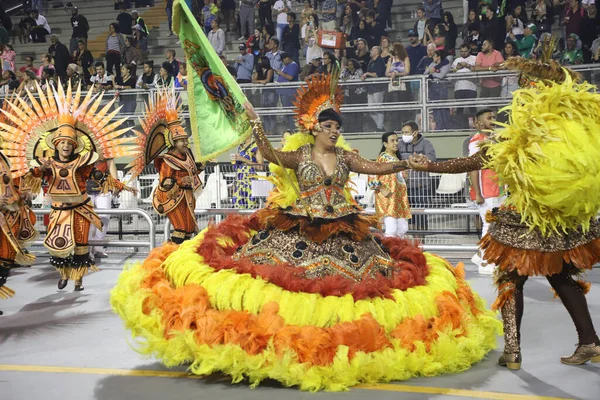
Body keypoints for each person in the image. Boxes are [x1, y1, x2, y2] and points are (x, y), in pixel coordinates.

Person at [111, 73, 500, 391]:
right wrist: (256, 123)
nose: (333, 131)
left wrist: (402, 165)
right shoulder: (300, 156)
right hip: (300, 226)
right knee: (289, 281)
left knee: (355, 285)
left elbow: (376, 169)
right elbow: (269, 155)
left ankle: (333, 340)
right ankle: (289, 342)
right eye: (328, 126)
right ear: (315, 128)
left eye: (337, 127)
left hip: (345, 228)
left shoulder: (348, 156)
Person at [408, 54, 600, 370]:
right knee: (560, 275)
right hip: (555, 222)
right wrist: (431, 165)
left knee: (510, 277)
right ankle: (588, 340)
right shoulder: (561, 131)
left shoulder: (534, 134)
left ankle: (513, 350)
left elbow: (476, 160)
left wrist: (431, 165)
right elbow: (478, 159)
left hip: (527, 219)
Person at [2, 82, 137, 292]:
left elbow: (100, 176)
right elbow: (32, 177)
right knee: (59, 247)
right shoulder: (47, 164)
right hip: (58, 211)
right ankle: (64, 275)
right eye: (62, 142)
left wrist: (122, 186)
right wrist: (39, 168)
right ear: (55, 144)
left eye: (69, 142)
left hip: (81, 209)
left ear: (75, 145)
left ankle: (78, 280)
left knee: (81, 248)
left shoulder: (82, 164)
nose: (65, 145)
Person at [128, 89, 204, 244]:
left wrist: (201, 166)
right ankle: (171, 258)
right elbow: (166, 182)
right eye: (181, 140)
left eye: (185, 139)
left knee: (189, 230)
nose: (185, 142)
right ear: (173, 142)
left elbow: (193, 170)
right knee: (181, 230)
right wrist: (182, 181)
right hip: (174, 198)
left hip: (188, 197)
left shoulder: (188, 154)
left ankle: (184, 260)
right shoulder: (167, 160)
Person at [0, 146, 36, 315]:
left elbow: (11, 188)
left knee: (5, 258)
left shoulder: (6, 160)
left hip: (7, 216)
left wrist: (21, 195)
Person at [468, 109, 504, 275]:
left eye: (494, 117)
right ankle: (485, 263)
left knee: (495, 225)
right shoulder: (476, 142)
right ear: (479, 123)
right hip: (486, 191)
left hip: (497, 190)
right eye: (489, 118)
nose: (493, 120)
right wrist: (478, 193)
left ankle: (480, 255)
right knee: (489, 225)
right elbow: (473, 168)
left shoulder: (495, 139)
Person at [368, 132, 411, 238]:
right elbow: (372, 177)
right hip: (388, 199)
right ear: (385, 144)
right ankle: (387, 252)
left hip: (399, 199)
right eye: (392, 141)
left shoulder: (396, 159)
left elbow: (398, 180)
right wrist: (382, 189)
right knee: (391, 229)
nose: (396, 143)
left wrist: (404, 176)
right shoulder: (383, 158)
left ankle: (397, 251)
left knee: (403, 229)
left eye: (397, 140)